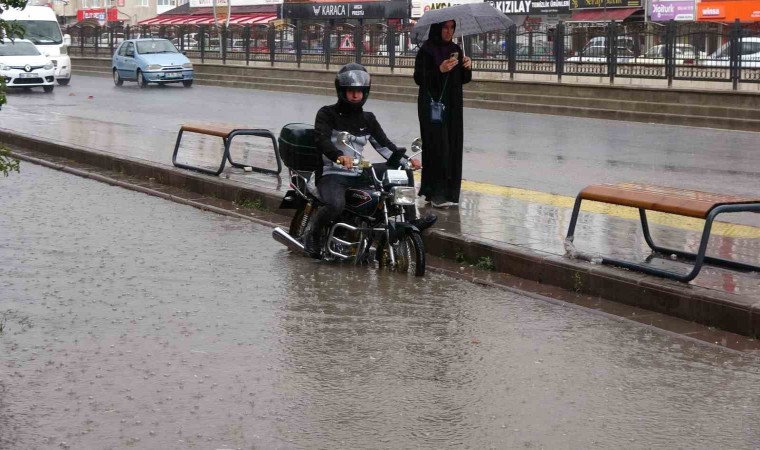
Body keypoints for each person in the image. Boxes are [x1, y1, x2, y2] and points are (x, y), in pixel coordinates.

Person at [302, 63, 437, 258]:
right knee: (336, 205)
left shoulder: (368, 119)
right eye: (351, 91)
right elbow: (322, 141)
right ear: (341, 91)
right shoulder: (326, 114)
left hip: (358, 172)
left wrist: (407, 161)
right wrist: (339, 157)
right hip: (332, 174)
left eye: (360, 91)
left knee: (400, 171)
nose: (355, 95)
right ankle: (313, 235)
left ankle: (410, 220)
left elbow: (384, 145)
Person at [414, 20, 472, 208]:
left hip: (453, 106)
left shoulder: (456, 49)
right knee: (437, 146)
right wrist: (439, 69)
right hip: (432, 106)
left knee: (453, 145)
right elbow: (419, 77)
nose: (449, 31)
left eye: (452, 28)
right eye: (445, 28)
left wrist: (467, 67)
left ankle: (449, 192)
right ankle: (435, 192)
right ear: (438, 29)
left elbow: (462, 80)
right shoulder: (427, 50)